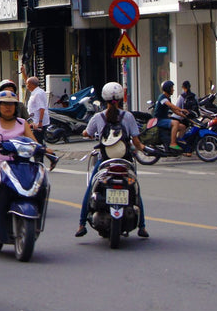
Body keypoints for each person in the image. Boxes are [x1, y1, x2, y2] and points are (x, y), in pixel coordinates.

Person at [75, 82, 149, 238]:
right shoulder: (128, 116)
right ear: (121, 98)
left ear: (104, 98)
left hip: (104, 162)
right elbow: (136, 142)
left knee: (90, 190)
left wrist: (85, 133)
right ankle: (142, 226)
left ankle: (82, 224)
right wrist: (143, 148)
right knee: (135, 190)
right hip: (125, 161)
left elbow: (87, 133)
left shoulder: (97, 117)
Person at [155, 80, 189, 152]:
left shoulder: (168, 98)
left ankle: (178, 142)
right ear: (168, 89)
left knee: (182, 127)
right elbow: (171, 106)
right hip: (159, 120)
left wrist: (183, 115)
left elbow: (174, 111)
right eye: (172, 88)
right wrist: (181, 109)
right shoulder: (162, 97)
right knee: (175, 123)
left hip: (164, 119)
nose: (173, 89)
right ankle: (172, 143)